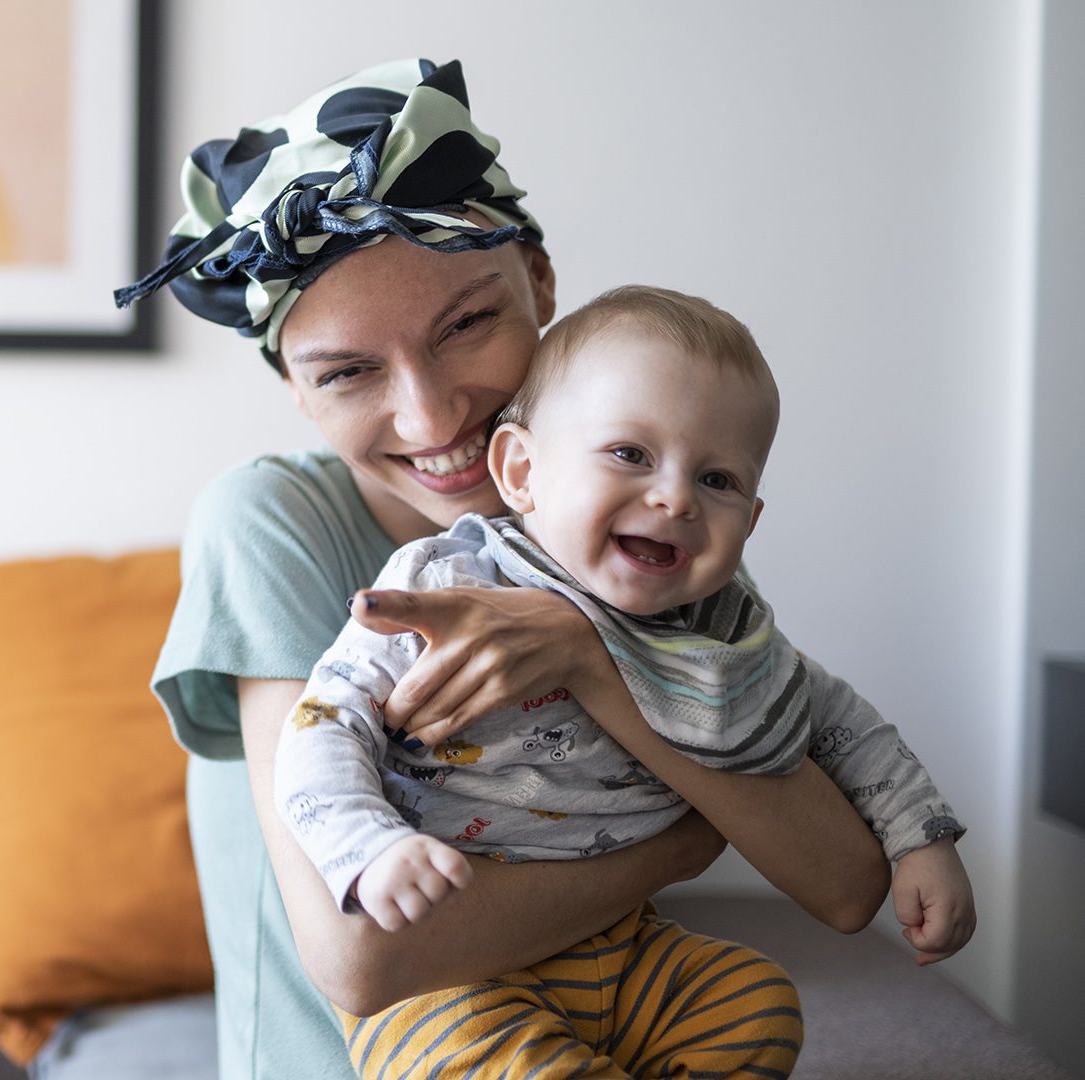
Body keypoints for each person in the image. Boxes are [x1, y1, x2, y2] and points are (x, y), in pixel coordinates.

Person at [116, 57, 892, 1079]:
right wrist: (689, 834)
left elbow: (843, 883)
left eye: (467, 325)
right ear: (297, 392)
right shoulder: (269, 522)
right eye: (348, 372)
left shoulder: (619, 517)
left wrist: (584, 654)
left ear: (541, 284)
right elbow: (361, 960)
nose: (434, 419)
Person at [274, 284, 974, 1076]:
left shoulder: (721, 635)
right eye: (630, 455)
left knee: (754, 1004)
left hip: (629, 950)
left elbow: (845, 727)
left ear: (749, 521)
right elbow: (319, 728)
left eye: (718, 480)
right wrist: (368, 848)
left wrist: (923, 840)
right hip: (459, 974)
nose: (675, 498)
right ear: (521, 469)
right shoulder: (448, 587)